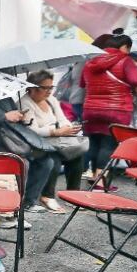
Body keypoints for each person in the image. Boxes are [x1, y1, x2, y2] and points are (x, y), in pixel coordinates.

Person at [81, 33, 137, 187]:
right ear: (123, 47)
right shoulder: (125, 60)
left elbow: (83, 83)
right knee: (108, 145)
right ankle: (100, 183)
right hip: (117, 110)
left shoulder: (91, 61)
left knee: (94, 143)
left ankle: (88, 177)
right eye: (128, 48)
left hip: (91, 109)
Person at [20, 70, 85, 213]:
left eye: (51, 87)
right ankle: (47, 196)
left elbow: (62, 120)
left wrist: (67, 127)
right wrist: (55, 131)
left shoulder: (51, 100)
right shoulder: (25, 103)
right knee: (52, 158)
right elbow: (33, 131)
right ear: (32, 87)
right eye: (45, 88)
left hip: (56, 140)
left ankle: (73, 194)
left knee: (76, 156)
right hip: (37, 144)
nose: (49, 91)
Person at [0, 96, 56, 212]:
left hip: (14, 139)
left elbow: (14, 120)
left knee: (47, 162)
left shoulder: (5, 98)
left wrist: (20, 118)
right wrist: (4, 117)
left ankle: (29, 201)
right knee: (22, 163)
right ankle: (15, 204)